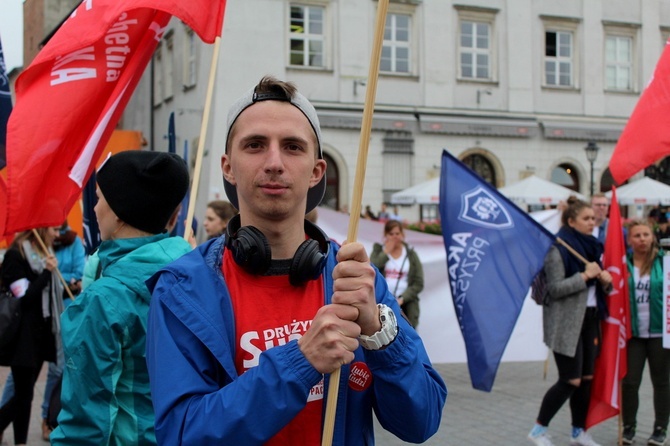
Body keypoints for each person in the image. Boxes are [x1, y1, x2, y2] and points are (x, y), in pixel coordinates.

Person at [145, 76, 447, 445]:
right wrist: (300, 362)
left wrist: (378, 333)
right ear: (227, 166)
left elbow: (422, 421)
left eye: (292, 147)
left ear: (316, 171)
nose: (274, 162)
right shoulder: (182, 288)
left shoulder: (352, 277)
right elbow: (180, 434)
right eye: (255, 145)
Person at [50, 150, 192, 445]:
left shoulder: (103, 300)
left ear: (118, 211)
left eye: (100, 198)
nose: (95, 207)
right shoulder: (196, 276)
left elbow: (84, 425)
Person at [528, 196, 613, 446]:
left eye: (593, 218)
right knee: (570, 380)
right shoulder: (558, 249)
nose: (592, 221)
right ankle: (538, 430)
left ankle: (579, 431)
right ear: (571, 221)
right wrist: (585, 276)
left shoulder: (592, 247)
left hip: (590, 318)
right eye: (586, 218)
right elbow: (554, 289)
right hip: (565, 323)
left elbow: (597, 287)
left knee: (586, 379)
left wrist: (605, 282)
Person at [0, 226, 62, 446]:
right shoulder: (15, 255)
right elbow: (25, 298)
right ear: (41, 230)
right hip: (21, 339)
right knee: (23, 395)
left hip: (39, 337)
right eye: (53, 229)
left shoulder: (40, 254)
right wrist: (46, 272)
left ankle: (20, 442)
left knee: (24, 396)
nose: (56, 234)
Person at [621, 220, 670, 446]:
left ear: (653, 238)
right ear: (630, 239)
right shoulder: (624, 264)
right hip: (634, 334)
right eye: (637, 235)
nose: (642, 239)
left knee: (661, 382)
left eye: (646, 235)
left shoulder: (665, 262)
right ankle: (629, 427)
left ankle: (660, 428)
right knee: (630, 382)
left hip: (661, 332)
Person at [370, 220, 424, 328]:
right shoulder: (379, 251)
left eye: (397, 234)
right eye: (391, 234)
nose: (394, 237)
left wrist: (402, 298)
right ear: (385, 235)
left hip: (405, 305)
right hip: (382, 302)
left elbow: (419, 282)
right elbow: (371, 270)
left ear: (402, 235)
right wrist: (385, 253)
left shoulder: (410, 254)